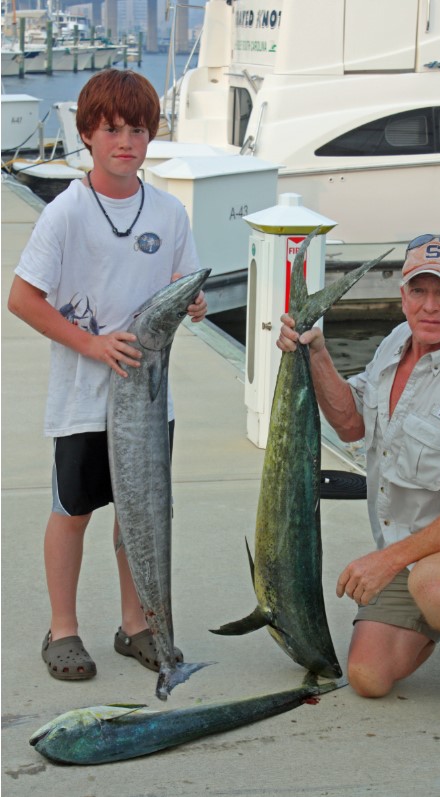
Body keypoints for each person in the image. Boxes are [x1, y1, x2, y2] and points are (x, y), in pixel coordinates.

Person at [277, 234, 440, 728]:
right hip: (414, 544)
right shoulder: (398, 341)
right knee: (368, 677)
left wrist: (385, 561)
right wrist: (317, 355)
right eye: (419, 291)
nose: (430, 306)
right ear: (403, 294)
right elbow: (352, 424)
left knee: (436, 582)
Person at [7, 69, 208, 681]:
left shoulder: (170, 213)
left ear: (152, 137)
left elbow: (184, 288)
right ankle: (62, 630)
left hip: (148, 401)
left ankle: (136, 624)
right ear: (88, 134)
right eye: (112, 128)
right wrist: (91, 346)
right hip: (83, 400)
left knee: (138, 513)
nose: (126, 141)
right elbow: (22, 298)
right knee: (73, 509)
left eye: (139, 129)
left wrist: (193, 306)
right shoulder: (65, 214)